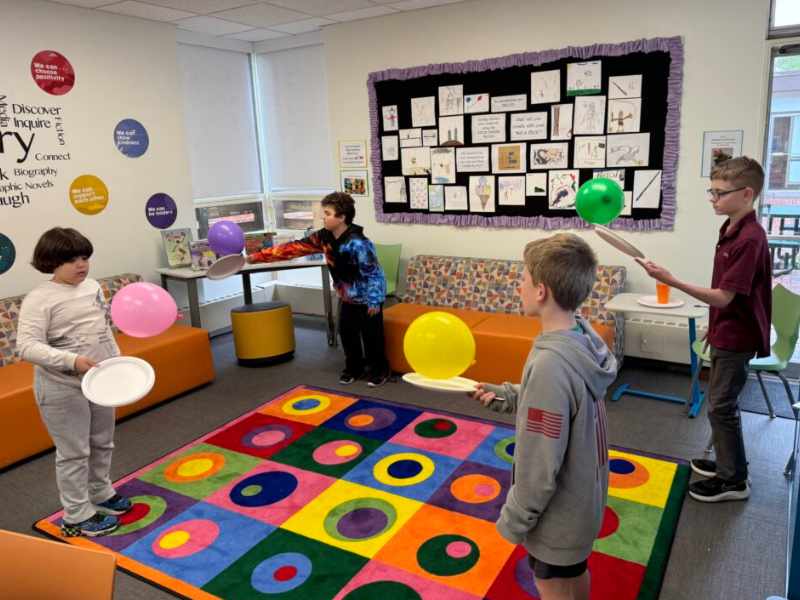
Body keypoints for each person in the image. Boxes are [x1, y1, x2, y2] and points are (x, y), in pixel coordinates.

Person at [472, 233, 617, 600]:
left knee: (551, 585)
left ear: (541, 292)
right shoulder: (581, 338)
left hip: (560, 516)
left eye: (523, 279)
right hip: (586, 499)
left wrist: (515, 518)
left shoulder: (551, 363)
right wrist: (512, 396)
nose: (518, 285)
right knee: (574, 574)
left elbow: (540, 461)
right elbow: (561, 407)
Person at [637, 156, 771, 502]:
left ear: (747, 194)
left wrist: (671, 280)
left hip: (737, 335)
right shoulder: (731, 227)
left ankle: (734, 480)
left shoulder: (750, 239)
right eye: (711, 192)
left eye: (719, 193)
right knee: (719, 403)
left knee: (721, 406)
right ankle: (728, 464)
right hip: (725, 329)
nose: (713, 199)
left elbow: (725, 297)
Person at [16, 227, 132, 537]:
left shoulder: (92, 287)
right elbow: (26, 346)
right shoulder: (39, 299)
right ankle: (76, 514)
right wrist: (71, 361)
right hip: (60, 389)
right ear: (51, 261)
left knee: (102, 442)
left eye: (84, 257)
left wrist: (115, 360)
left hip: (98, 380)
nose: (81, 265)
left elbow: (102, 327)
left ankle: (100, 492)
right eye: (71, 260)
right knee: (74, 452)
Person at [248, 192, 390, 387]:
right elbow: (293, 248)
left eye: (327, 213)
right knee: (347, 334)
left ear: (341, 218)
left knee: (372, 337)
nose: (323, 217)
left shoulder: (358, 242)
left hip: (368, 298)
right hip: (347, 297)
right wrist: (257, 257)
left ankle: (379, 370)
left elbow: (374, 272)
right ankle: (354, 368)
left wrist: (374, 299)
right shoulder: (323, 237)